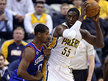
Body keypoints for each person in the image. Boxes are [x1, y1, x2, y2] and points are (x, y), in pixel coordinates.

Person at [45, 2, 104, 81]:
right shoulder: (60, 28)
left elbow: (100, 44)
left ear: (77, 18)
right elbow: (70, 35)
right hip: (52, 67)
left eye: (74, 17)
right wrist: (81, 17)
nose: (71, 19)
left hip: (66, 69)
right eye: (69, 16)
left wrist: (96, 23)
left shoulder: (82, 33)